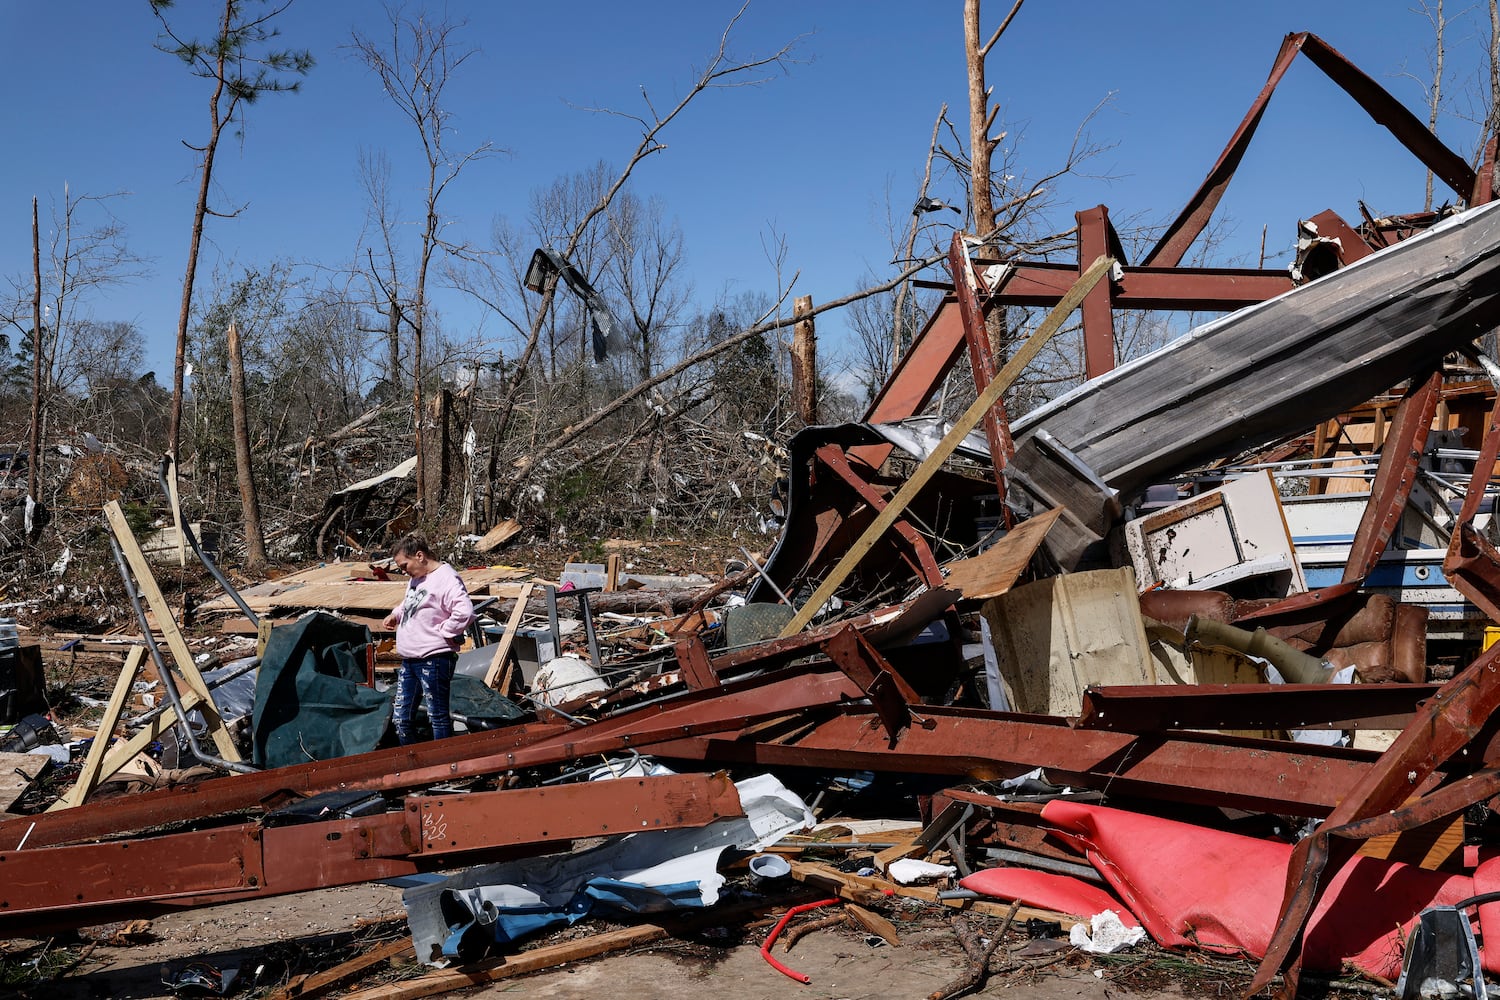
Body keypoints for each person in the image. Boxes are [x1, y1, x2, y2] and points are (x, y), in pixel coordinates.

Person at [381, 533, 475, 744]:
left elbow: (464, 611)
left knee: (437, 717)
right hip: (410, 659)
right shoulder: (416, 578)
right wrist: (396, 614)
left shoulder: (446, 578)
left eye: (404, 565)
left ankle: (442, 765)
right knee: (401, 719)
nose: (403, 572)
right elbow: (409, 602)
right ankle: (415, 764)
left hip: (433, 658)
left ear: (420, 556)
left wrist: (446, 631)